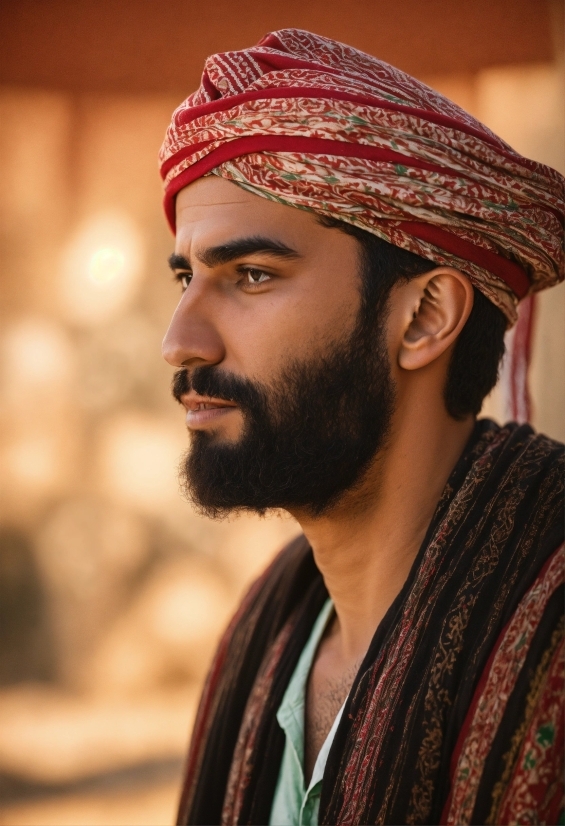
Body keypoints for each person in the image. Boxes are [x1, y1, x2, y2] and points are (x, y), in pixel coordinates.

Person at [158, 29, 564, 825]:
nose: (180, 342)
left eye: (250, 275)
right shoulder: (267, 639)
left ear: (422, 318)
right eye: (185, 276)